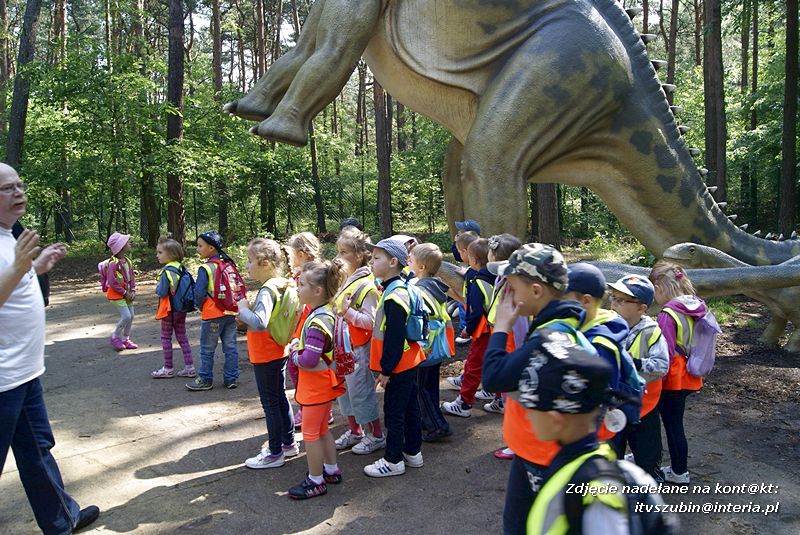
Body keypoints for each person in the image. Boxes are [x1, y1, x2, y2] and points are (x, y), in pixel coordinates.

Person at [0, 162, 99, 534]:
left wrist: (35, 266)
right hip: (2, 380)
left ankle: (62, 520)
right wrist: (20, 266)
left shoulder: (11, 236)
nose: (19, 193)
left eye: (19, 185)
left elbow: (14, 281)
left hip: (23, 374)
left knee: (37, 451)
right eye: (8, 188)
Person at [481, 243, 584, 535]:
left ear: (537, 291)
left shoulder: (551, 337)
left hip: (542, 457)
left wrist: (501, 326)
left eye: (511, 285)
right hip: (534, 450)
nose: (505, 293)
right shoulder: (565, 320)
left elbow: (494, 378)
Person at [518, 333, 630, 535]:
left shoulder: (595, 486)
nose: (526, 416)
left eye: (530, 408)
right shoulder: (576, 459)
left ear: (556, 420)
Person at [363, 238, 425, 477]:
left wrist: (386, 371)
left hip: (398, 365)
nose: (372, 261)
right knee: (410, 407)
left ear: (392, 262)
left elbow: (394, 337)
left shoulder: (393, 296)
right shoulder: (398, 288)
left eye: (377, 258)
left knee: (394, 411)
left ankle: (393, 460)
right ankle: (412, 452)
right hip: (410, 360)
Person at [237, 238, 300, 469]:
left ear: (264, 262)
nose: (247, 266)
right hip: (279, 349)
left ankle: (274, 453)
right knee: (280, 398)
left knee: (270, 403)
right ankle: (289, 443)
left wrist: (243, 310)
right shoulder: (284, 283)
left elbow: (260, 322)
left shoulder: (267, 290)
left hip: (265, 353)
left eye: (250, 260)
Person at [286, 260, 347, 499]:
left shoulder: (318, 321)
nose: (298, 289)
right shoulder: (323, 313)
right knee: (322, 430)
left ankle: (315, 480)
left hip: (316, 386)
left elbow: (310, 359)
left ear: (317, 291)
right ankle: (331, 469)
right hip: (324, 384)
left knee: (310, 434)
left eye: (302, 285)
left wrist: (293, 354)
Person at [650, 261, 707, 485]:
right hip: (690, 373)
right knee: (676, 424)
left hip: (672, 378)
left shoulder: (668, 314)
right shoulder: (694, 306)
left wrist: (656, 381)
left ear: (659, 288)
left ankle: (679, 472)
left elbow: (664, 351)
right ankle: (677, 469)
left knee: (671, 426)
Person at [607, 275, 669, 481]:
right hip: (613, 404)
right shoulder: (606, 325)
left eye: (621, 300)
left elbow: (662, 366)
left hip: (644, 406)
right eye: (612, 297)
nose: (613, 304)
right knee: (610, 451)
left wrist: (636, 364)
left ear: (641, 309)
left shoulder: (651, 332)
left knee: (646, 453)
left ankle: (647, 489)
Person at [331, 227, 385, 455]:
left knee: (361, 393)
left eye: (344, 252)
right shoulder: (347, 279)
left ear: (360, 255)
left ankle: (376, 435)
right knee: (345, 392)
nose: (338, 257)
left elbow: (371, 321)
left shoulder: (366, 285)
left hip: (359, 350)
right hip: (343, 348)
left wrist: (347, 313)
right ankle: (355, 431)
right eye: (338, 251)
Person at [442, 238, 496, 417]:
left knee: (473, 365)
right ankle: (492, 391)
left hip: (484, 330)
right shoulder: (495, 275)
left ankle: (464, 404)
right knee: (492, 361)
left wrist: (468, 330)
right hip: (497, 328)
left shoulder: (478, 281)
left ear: (474, 260)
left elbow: (475, 311)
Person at [408, 242, 455, 442]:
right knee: (430, 387)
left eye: (411, 259)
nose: (407, 261)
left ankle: (438, 426)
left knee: (422, 388)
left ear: (421, 267)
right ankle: (428, 420)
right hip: (437, 345)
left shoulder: (419, 290)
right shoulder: (435, 285)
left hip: (425, 347)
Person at [483, 233, 524, 460]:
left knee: (515, 399)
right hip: (504, 342)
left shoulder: (515, 285)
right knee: (510, 397)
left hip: (512, 346)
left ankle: (516, 443)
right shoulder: (502, 279)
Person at [185, 231, 240, 391]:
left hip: (212, 315)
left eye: (200, 246)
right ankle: (231, 378)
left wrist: (200, 306)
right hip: (230, 313)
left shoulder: (206, 268)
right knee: (230, 347)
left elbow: (199, 292)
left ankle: (205, 379)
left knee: (207, 349)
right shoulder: (229, 265)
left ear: (211, 248)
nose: (197, 249)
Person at [285, 231, 323, 427]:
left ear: (301, 253)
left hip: (308, 323)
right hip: (304, 323)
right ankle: (309, 407)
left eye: (291, 254)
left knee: (299, 366)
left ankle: (308, 407)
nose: (289, 258)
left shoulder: (308, 273)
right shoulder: (308, 271)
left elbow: (303, 304)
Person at [151, 237, 196, 379]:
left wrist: (156, 288)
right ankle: (190, 367)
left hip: (169, 310)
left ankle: (168, 368)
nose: (157, 255)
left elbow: (162, 292)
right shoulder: (181, 268)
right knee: (182, 337)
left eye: (160, 253)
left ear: (171, 254)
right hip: (181, 308)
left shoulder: (166, 272)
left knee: (165, 337)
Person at [104, 231, 137, 351]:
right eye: (127, 242)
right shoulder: (113, 264)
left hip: (127, 294)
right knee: (126, 316)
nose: (129, 243)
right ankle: (115, 337)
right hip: (117, 295)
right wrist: (125, 293)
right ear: (122, 247)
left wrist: (132, 290)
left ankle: (126, 339)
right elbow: (112, 282)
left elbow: (131, 277)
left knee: (131, 316)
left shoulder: (127, 261)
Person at [450, 223, 480, 345]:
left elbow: (458, 257)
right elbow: (458, 255)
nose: (458, 233)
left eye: (461, 232)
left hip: (473, 305)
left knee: (465, 305)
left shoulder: (475, 273)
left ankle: (466, 329)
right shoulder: (473, 269)